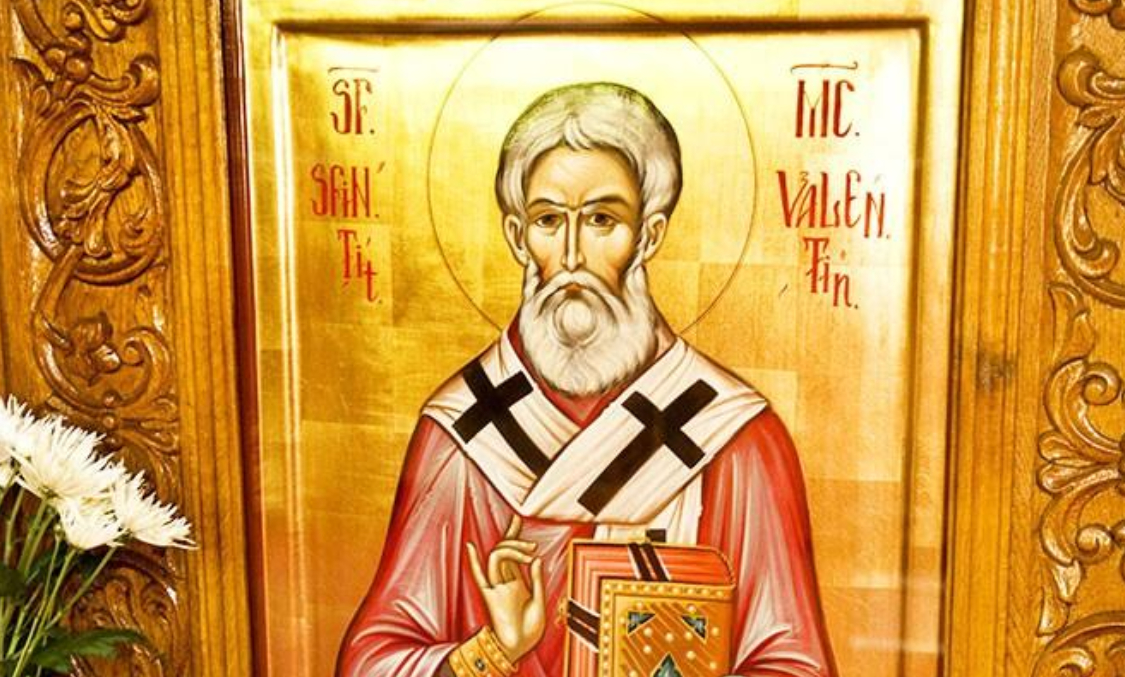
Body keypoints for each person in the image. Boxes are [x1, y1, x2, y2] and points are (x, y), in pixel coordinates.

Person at [336, 82, 836, 677]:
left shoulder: (732, 436)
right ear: (518, 237)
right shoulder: (463, 433)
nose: (572, 254)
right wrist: (493, 651)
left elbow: (792, 664)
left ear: (647, 235)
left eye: (603, 219)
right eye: (548, 220)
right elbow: (373, 661)